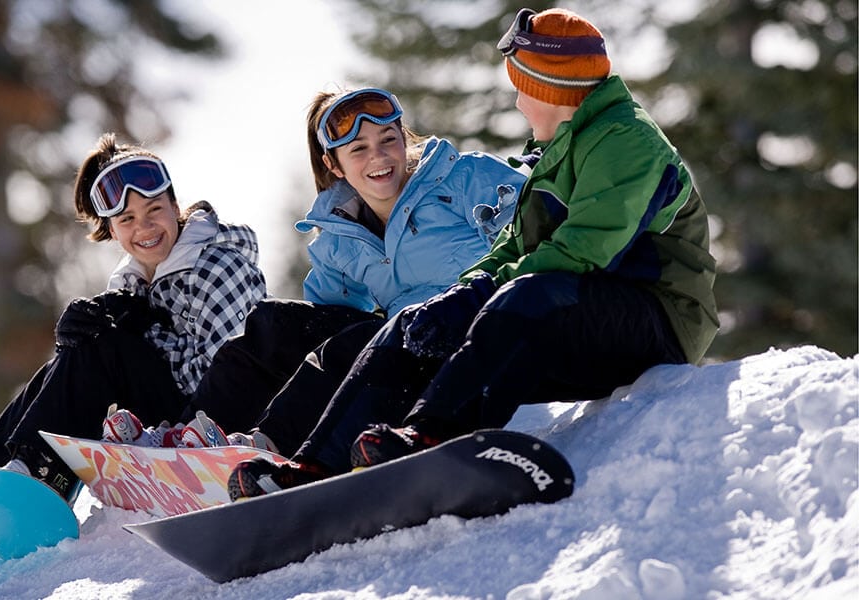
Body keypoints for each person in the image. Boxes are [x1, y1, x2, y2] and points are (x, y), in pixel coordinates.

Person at [228, 7, 719, 498]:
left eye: (523, 89)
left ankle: (434, 433)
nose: (519, 102)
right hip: (578, 314)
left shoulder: (624, 139)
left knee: (526, 294)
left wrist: (481, 293)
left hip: (659, 320)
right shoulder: (562, 148)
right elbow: (513, 247)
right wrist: (458, 297)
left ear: (548, 89)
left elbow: (584, 250)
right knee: (415, 324)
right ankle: (315, 464)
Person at [0, 133, 267, 511]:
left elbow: (229, 376)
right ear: (113, 230)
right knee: (78, 352)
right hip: (174, 418)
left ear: (174, 205)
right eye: (128, 219)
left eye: (155, 210)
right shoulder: (133, 283)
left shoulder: (217, 265)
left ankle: (36, 476)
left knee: (99, 346)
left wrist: (134, 338)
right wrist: (105, 334)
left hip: (221, 426)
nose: (145, 228)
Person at [184, 87, 531, 453]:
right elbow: (325, 324)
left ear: (403, 138)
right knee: (275, 324)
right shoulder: (339, 235)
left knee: (356, 342)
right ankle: (194, 436)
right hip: (400, 348)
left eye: (387, 140)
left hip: (470, 335)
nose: (378, 157)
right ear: (334, 165)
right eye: (358, 149)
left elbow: (535, 237)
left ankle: (272, 445)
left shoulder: (463, 178)